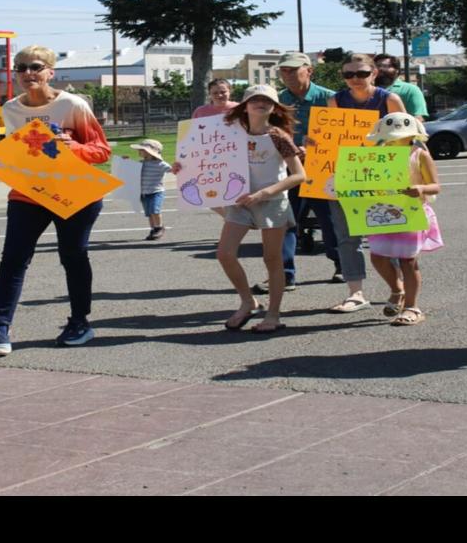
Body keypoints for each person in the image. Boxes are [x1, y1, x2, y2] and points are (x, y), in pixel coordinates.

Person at [0, 46, 112, 356]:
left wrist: (73, 148)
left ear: (50, 72)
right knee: (14, 258)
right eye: (20, 68)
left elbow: (101, 151)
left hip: (75, 192)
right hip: (28, 193)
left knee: (73, 256)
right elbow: (19, 152)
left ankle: (80, 323)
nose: (28, 73)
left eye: (35, 66)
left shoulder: (72, 104)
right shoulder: (11, 109)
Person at [174, 85, 305, 333]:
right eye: (254, 99)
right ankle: (248, 301)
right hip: (239, 200)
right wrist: (182, 168)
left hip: (272, 202)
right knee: (225, 253)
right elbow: (200, 159)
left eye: (266, 100)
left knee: (272, 259)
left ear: (274, 107)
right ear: (244, 105)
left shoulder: (278, 136)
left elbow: (299, 175)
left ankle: (273, 315)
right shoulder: (229, 133)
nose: (260, 103)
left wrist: (265, 193)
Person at [324, 53, 405, 314]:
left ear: (374, 73)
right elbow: (329, 139)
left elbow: (405, 137)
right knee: (347, 236)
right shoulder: (336, 100)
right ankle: (355, 293)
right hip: (345, 175)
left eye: (361, 73)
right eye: (349, 74)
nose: (355, 79)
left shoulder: (388, 99)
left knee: (387, 233)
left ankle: (398, 289)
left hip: (383, 175)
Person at [362, 113, 443, 327]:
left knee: (408, 260)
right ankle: (397, 290)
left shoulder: (419, 154)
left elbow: (435, 185)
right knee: (377, 257)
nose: (396, 140)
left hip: (411, 211)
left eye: (402, 136)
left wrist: (421, 188)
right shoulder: (375, 154)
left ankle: (412, 306)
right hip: (381, 211)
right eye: (392, 137)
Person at [272, 51, 340, 294]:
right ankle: (284, 275)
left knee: (330, 220)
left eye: (293, 69)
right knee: (285, 221)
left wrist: (311, 147)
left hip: (322, 169)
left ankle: (341, 264)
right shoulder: (276, 100)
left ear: (309, 70)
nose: (287, 74)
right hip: (289, 170)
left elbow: (341, 134)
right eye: (283, 70)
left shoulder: (330, 98)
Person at [132, 138, 171, 240]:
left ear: (149, 152)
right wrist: (125, 161)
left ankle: (159, 228)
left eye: (141, 150)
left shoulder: (160, 164)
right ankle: (153, 229)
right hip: (144, 193)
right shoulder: (141, 163)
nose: (139, 151)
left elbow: (172, 170)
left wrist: (177, 167)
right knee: (149, 213)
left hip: (156, 192)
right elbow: (130, 170)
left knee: (155, 211)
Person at [373, 53, 427, 120]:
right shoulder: (365, 89)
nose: (381, 69)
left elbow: (418, 118)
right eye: (377, 66)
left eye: (386, 66)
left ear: (397, 70)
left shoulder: (410, 90)